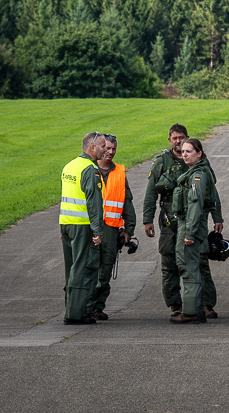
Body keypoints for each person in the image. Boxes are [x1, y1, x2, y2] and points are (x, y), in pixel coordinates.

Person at [170, 137, 224, 324]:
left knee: (188, 266)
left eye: (189, 151)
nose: (184, 154)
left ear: (199, 154)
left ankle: (191, 312)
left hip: (191, 225)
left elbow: (195, 205)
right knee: (195, 266)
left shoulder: (197, 176)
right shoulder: (200, 171)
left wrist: (189, 233)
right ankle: (199, 309)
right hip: (194, 224)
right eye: (183, 151)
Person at [60, 132, 107, 325]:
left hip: (67, 224)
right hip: (82, 226)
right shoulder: (90, 169)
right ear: (92, 147)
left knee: (71, 269)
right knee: (82, 268)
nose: (105, 149)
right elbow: (94, 204)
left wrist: (62, 227)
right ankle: (76, 314)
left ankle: (71, 308)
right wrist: (98, 231)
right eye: (102, 146)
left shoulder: (69, 166)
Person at [142, 124, 190, 316]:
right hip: (169, 219)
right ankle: (174, 303)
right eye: (175, 138)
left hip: (191, 218)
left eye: (181, 137)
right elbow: (151, 193)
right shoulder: (161, 162)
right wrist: (148, 219)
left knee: (195, 259)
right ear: (169, 140)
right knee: (169, 261)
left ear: (187, 137)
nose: (178, 141)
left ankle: (200, 303)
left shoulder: (195, 157)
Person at [89, 134, 136, 321]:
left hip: (111, 228)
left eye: (113, 149)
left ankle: (97, 307)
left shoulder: (120, 172)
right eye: (106, 148)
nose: (110, 152)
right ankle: (85, 306)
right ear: (98, 148)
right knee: (89, 267)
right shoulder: (88, 169)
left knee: (106, 269)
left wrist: (129, 229)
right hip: (89, 227)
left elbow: (127, 202)